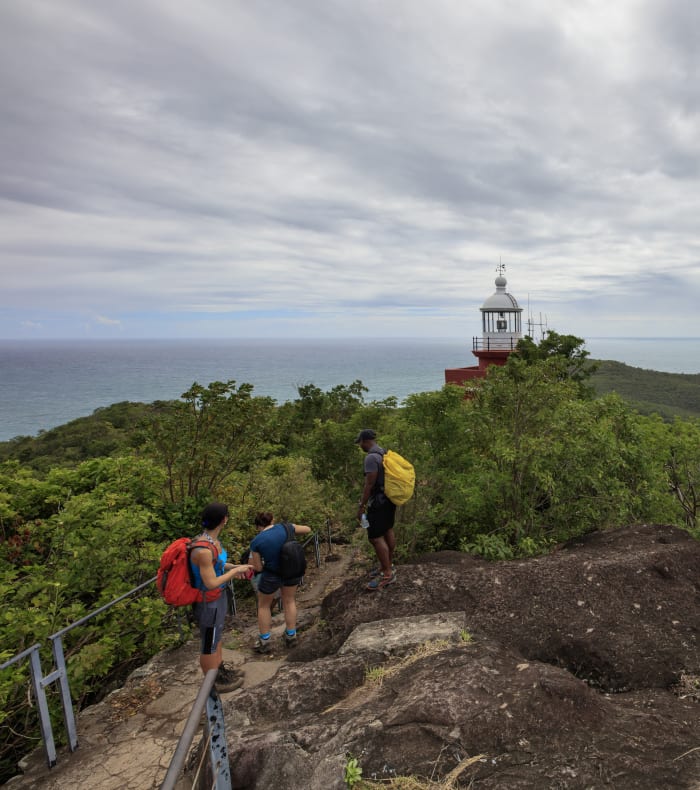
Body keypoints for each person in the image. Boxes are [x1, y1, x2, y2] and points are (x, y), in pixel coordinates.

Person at [190, 502, 254, 692]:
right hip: (208, 601)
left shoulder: (210, 541)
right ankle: (212, 684)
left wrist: (234, 567)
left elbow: (217, 564)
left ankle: (219, 672)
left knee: (216, 638)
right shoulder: (203, 550)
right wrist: (235, 572)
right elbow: (211, 582)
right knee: (209, 643)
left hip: (217, 597)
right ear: (224, 520)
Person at [248, 512, 311, 653]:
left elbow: (258, 567)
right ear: (272, 520)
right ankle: (291, 636)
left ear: (258, 526)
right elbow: (307, 529)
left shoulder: (256, 541)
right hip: (292, 570)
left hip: (271, 575)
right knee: (289, 601)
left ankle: (265, 641)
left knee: (264, 606)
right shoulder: (286, 527)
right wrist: (292, 529)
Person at [355, 429, 397, 590]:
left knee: (375, 537)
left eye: (360, 442)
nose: (360, 446)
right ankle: (388, 565)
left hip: (378, 502)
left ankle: (387, 574)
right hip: (389, 499)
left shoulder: (371, 458)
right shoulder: (383, 452)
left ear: (365, 441)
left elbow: (369, 484)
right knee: (387, 529)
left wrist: (362, 506)